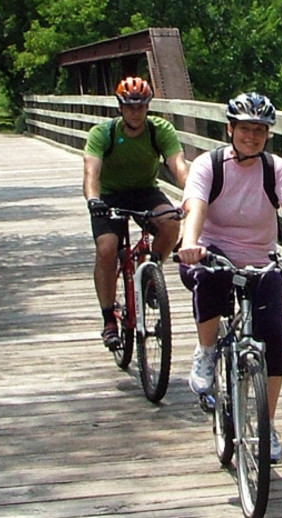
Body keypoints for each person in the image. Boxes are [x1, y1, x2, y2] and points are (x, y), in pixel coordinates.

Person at [176, 92, 282, 464]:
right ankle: (208, 352)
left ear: (268, 134)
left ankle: (267, 424)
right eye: (244, 129)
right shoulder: (209, 166)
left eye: (259, 130)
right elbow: (195, 207)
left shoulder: (276, 170)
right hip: (210, 252)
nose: (252, 136)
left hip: (260, 260)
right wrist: (191, 242)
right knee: (209, 280)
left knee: (273, 340)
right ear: (230, 129)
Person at [83, 76, 189, 350]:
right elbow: (91, 172)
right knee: (107, 248)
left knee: (170, 223)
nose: (135, 112)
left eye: (141, 106)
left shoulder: (159, 130)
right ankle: (109, 320)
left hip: (144, 191)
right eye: (129, 106)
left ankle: (149, 273)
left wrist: (192, 195)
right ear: (119, 107)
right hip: (109, 195)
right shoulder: (102, 134)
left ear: (148, 106)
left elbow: (178, 165)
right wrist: (94, 199)